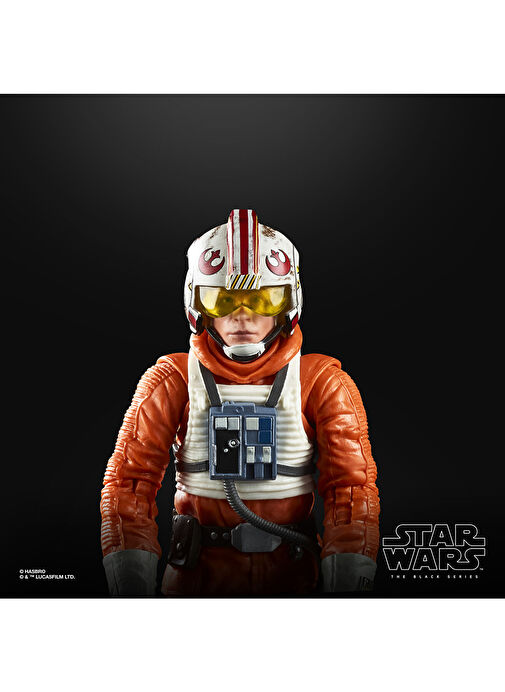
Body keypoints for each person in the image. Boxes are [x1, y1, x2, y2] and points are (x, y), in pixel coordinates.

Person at [100, 209, 380, 596]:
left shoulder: (320, 382)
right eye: (223, 300)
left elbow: (351, 492)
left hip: (294, 579)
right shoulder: (174, 380)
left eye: (262, 299)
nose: (242, 316)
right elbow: (130, 487)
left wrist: (348, 589)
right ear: (198, 304)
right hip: (195, 583)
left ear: (288, 303)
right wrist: (130, 591)